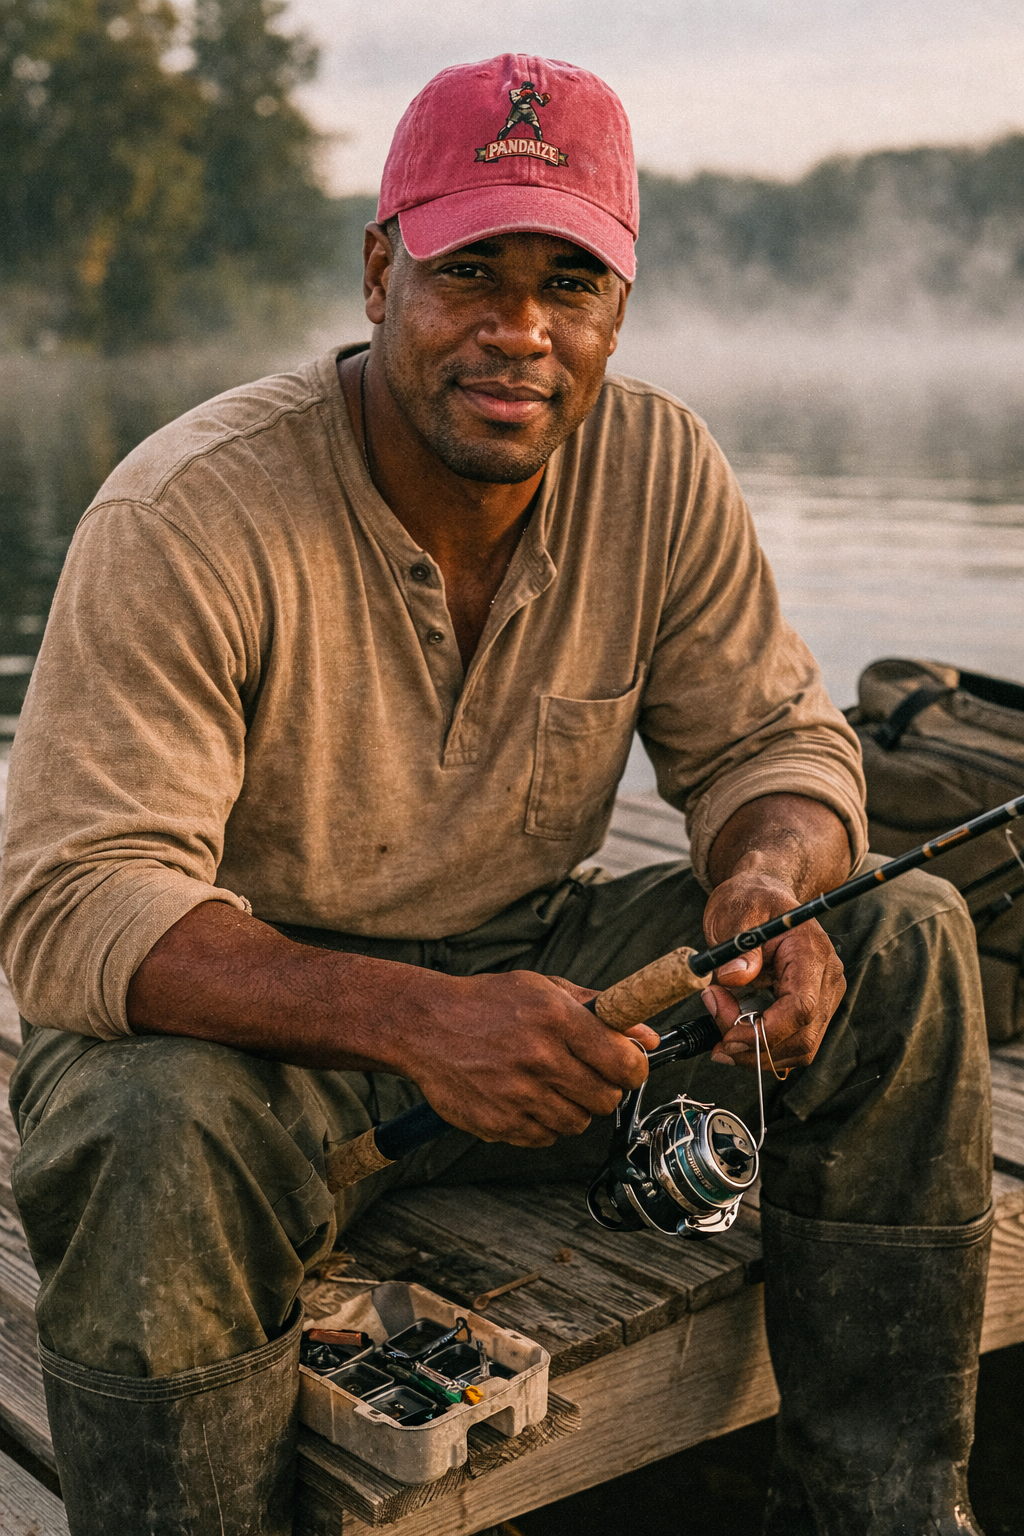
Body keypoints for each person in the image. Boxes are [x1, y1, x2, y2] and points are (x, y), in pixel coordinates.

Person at [0, 53, 992, 1536]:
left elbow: (772, 746)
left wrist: (764, 882)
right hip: (254, 1045)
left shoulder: (660, 466)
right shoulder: (186, 511)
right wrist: (420, 1022)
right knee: (138, 1125)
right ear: (378, 273)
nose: (520, 331)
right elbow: (76, 904)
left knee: (901, 933)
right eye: (471, 271)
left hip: (555, 1003)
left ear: (618, 311)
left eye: (568, 283)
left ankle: (883, 1510)